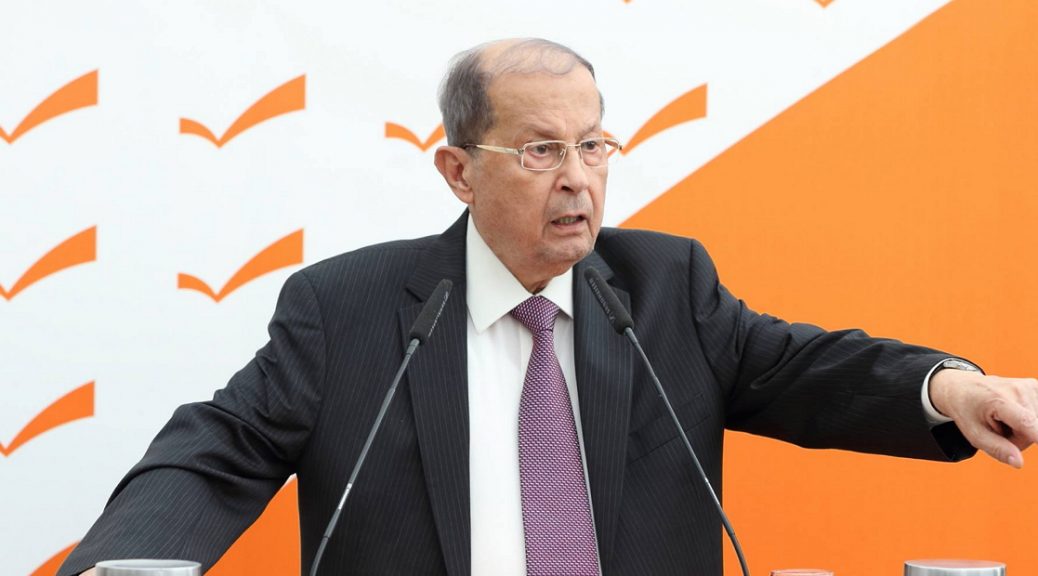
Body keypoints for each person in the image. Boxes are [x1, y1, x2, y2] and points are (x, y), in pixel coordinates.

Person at [62, 38, 1038, 576]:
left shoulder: (667, 288)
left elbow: (804, 369)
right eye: (540, 151)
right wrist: (127, 567)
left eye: (593, 146)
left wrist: (949, 387)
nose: (578, 178)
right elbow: (218, 448)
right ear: (459, 171)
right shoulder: (348, 309)